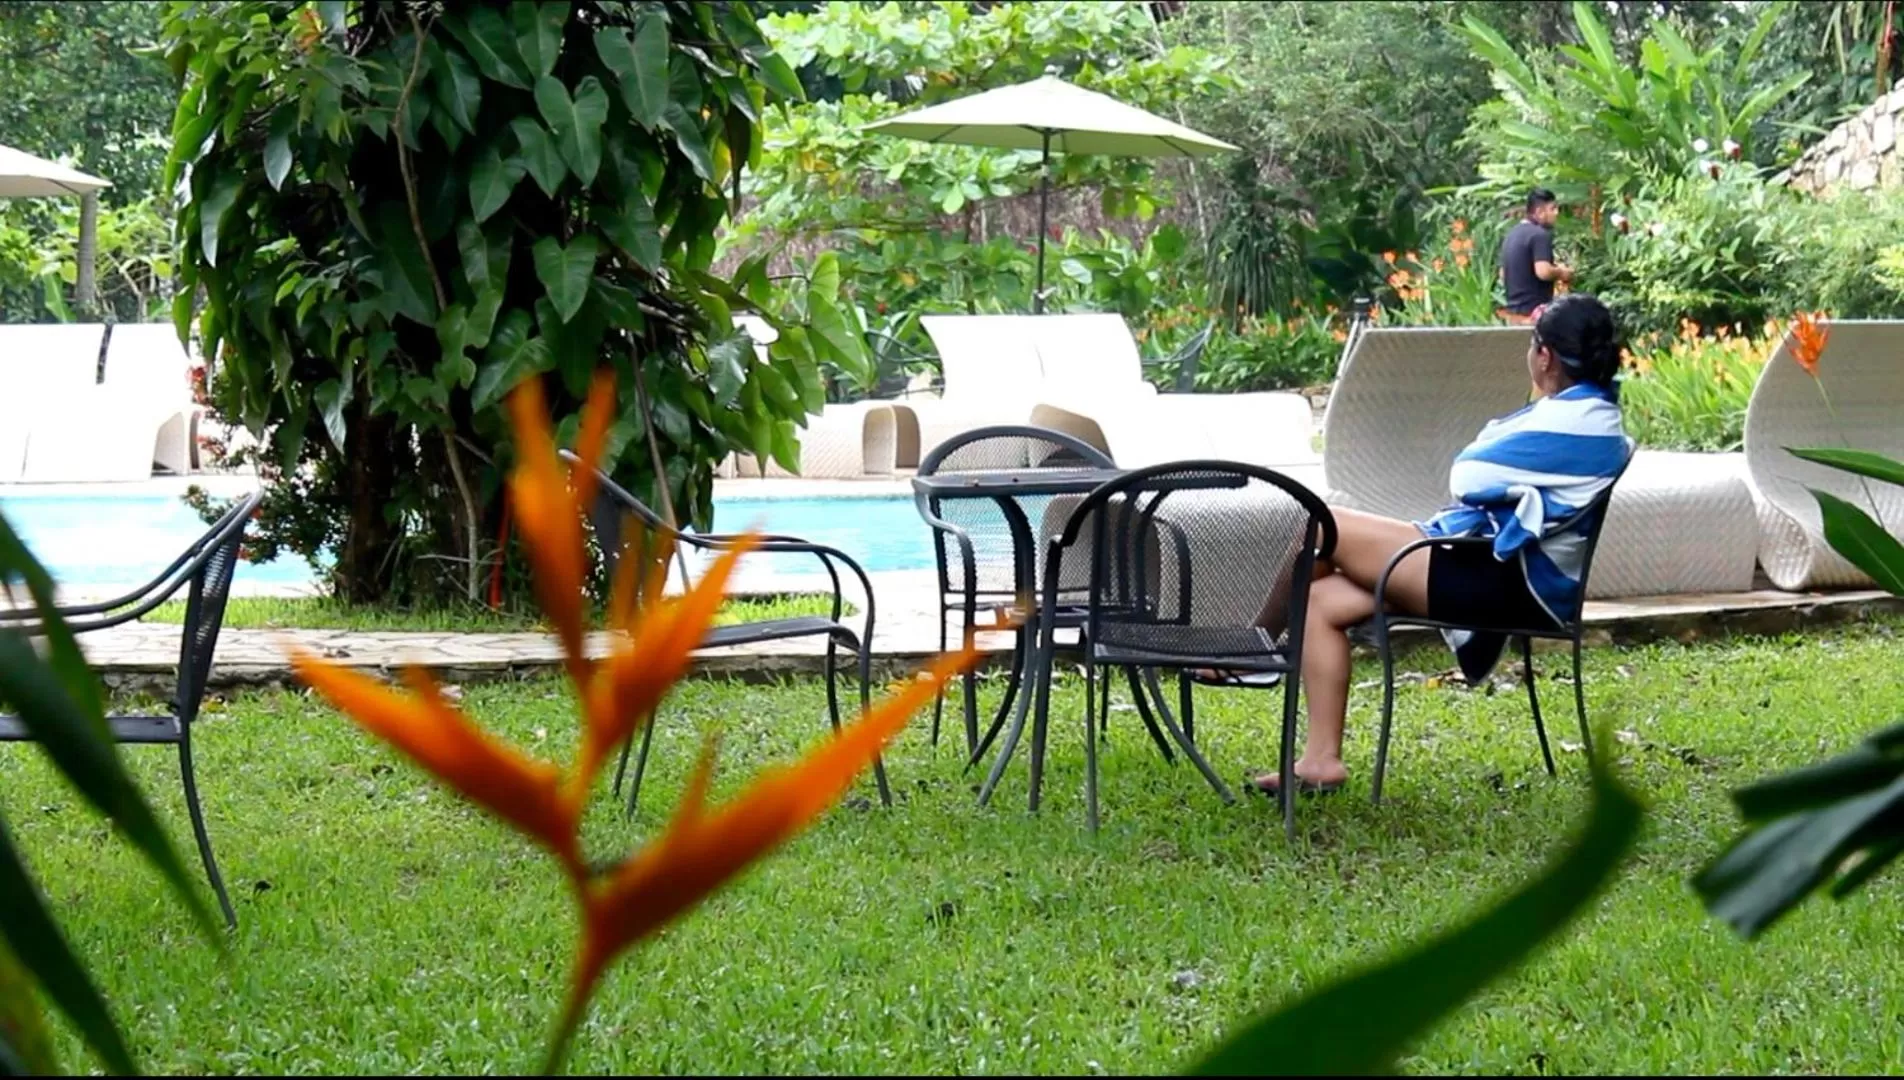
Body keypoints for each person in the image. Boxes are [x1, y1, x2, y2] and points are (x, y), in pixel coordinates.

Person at [1247, 294, 1632, 797]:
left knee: (1322, 526)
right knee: (1320, 600)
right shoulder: (1580, 414)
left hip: (1498, 581)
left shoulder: (1578, 421)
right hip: (1487, 568)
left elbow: (1468, 474)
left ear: (1545, 356)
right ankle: (1320, 761)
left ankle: (1249, 649)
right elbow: (1488, 467)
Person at [1497, 188, 1573, 325]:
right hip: (1535, 313)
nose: (1556, 213)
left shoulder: (1511, 235)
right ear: (1539, 212)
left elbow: (1503, 274)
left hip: (1514, 315)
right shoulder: (1539, 235)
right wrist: (1562, 272)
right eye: (1553, 209)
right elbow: (1543, 272)